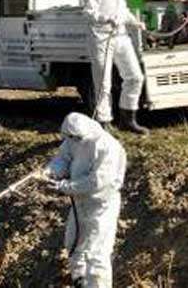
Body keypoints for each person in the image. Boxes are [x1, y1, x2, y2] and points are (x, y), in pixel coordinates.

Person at [40, 112, 127, 288]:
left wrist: (65, 187)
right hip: (80, 203)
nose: (72, 140)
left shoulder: (107, 146)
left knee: (97, 253)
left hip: (101, 205)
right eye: (69, 137)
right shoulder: (73, 139)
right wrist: (51, 171)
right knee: (74, 244)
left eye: (74, 137)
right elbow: (63, 157)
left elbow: (98, 182)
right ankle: (79, 280)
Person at [82, 0, 148, 135]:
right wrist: (106, 18)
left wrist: (135, 22)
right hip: (101, 38)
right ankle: (103, 121)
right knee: (103, 82)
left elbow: (123, 9)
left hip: (121, 36)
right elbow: (88, 12)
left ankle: (128, 118)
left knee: (135, 77)